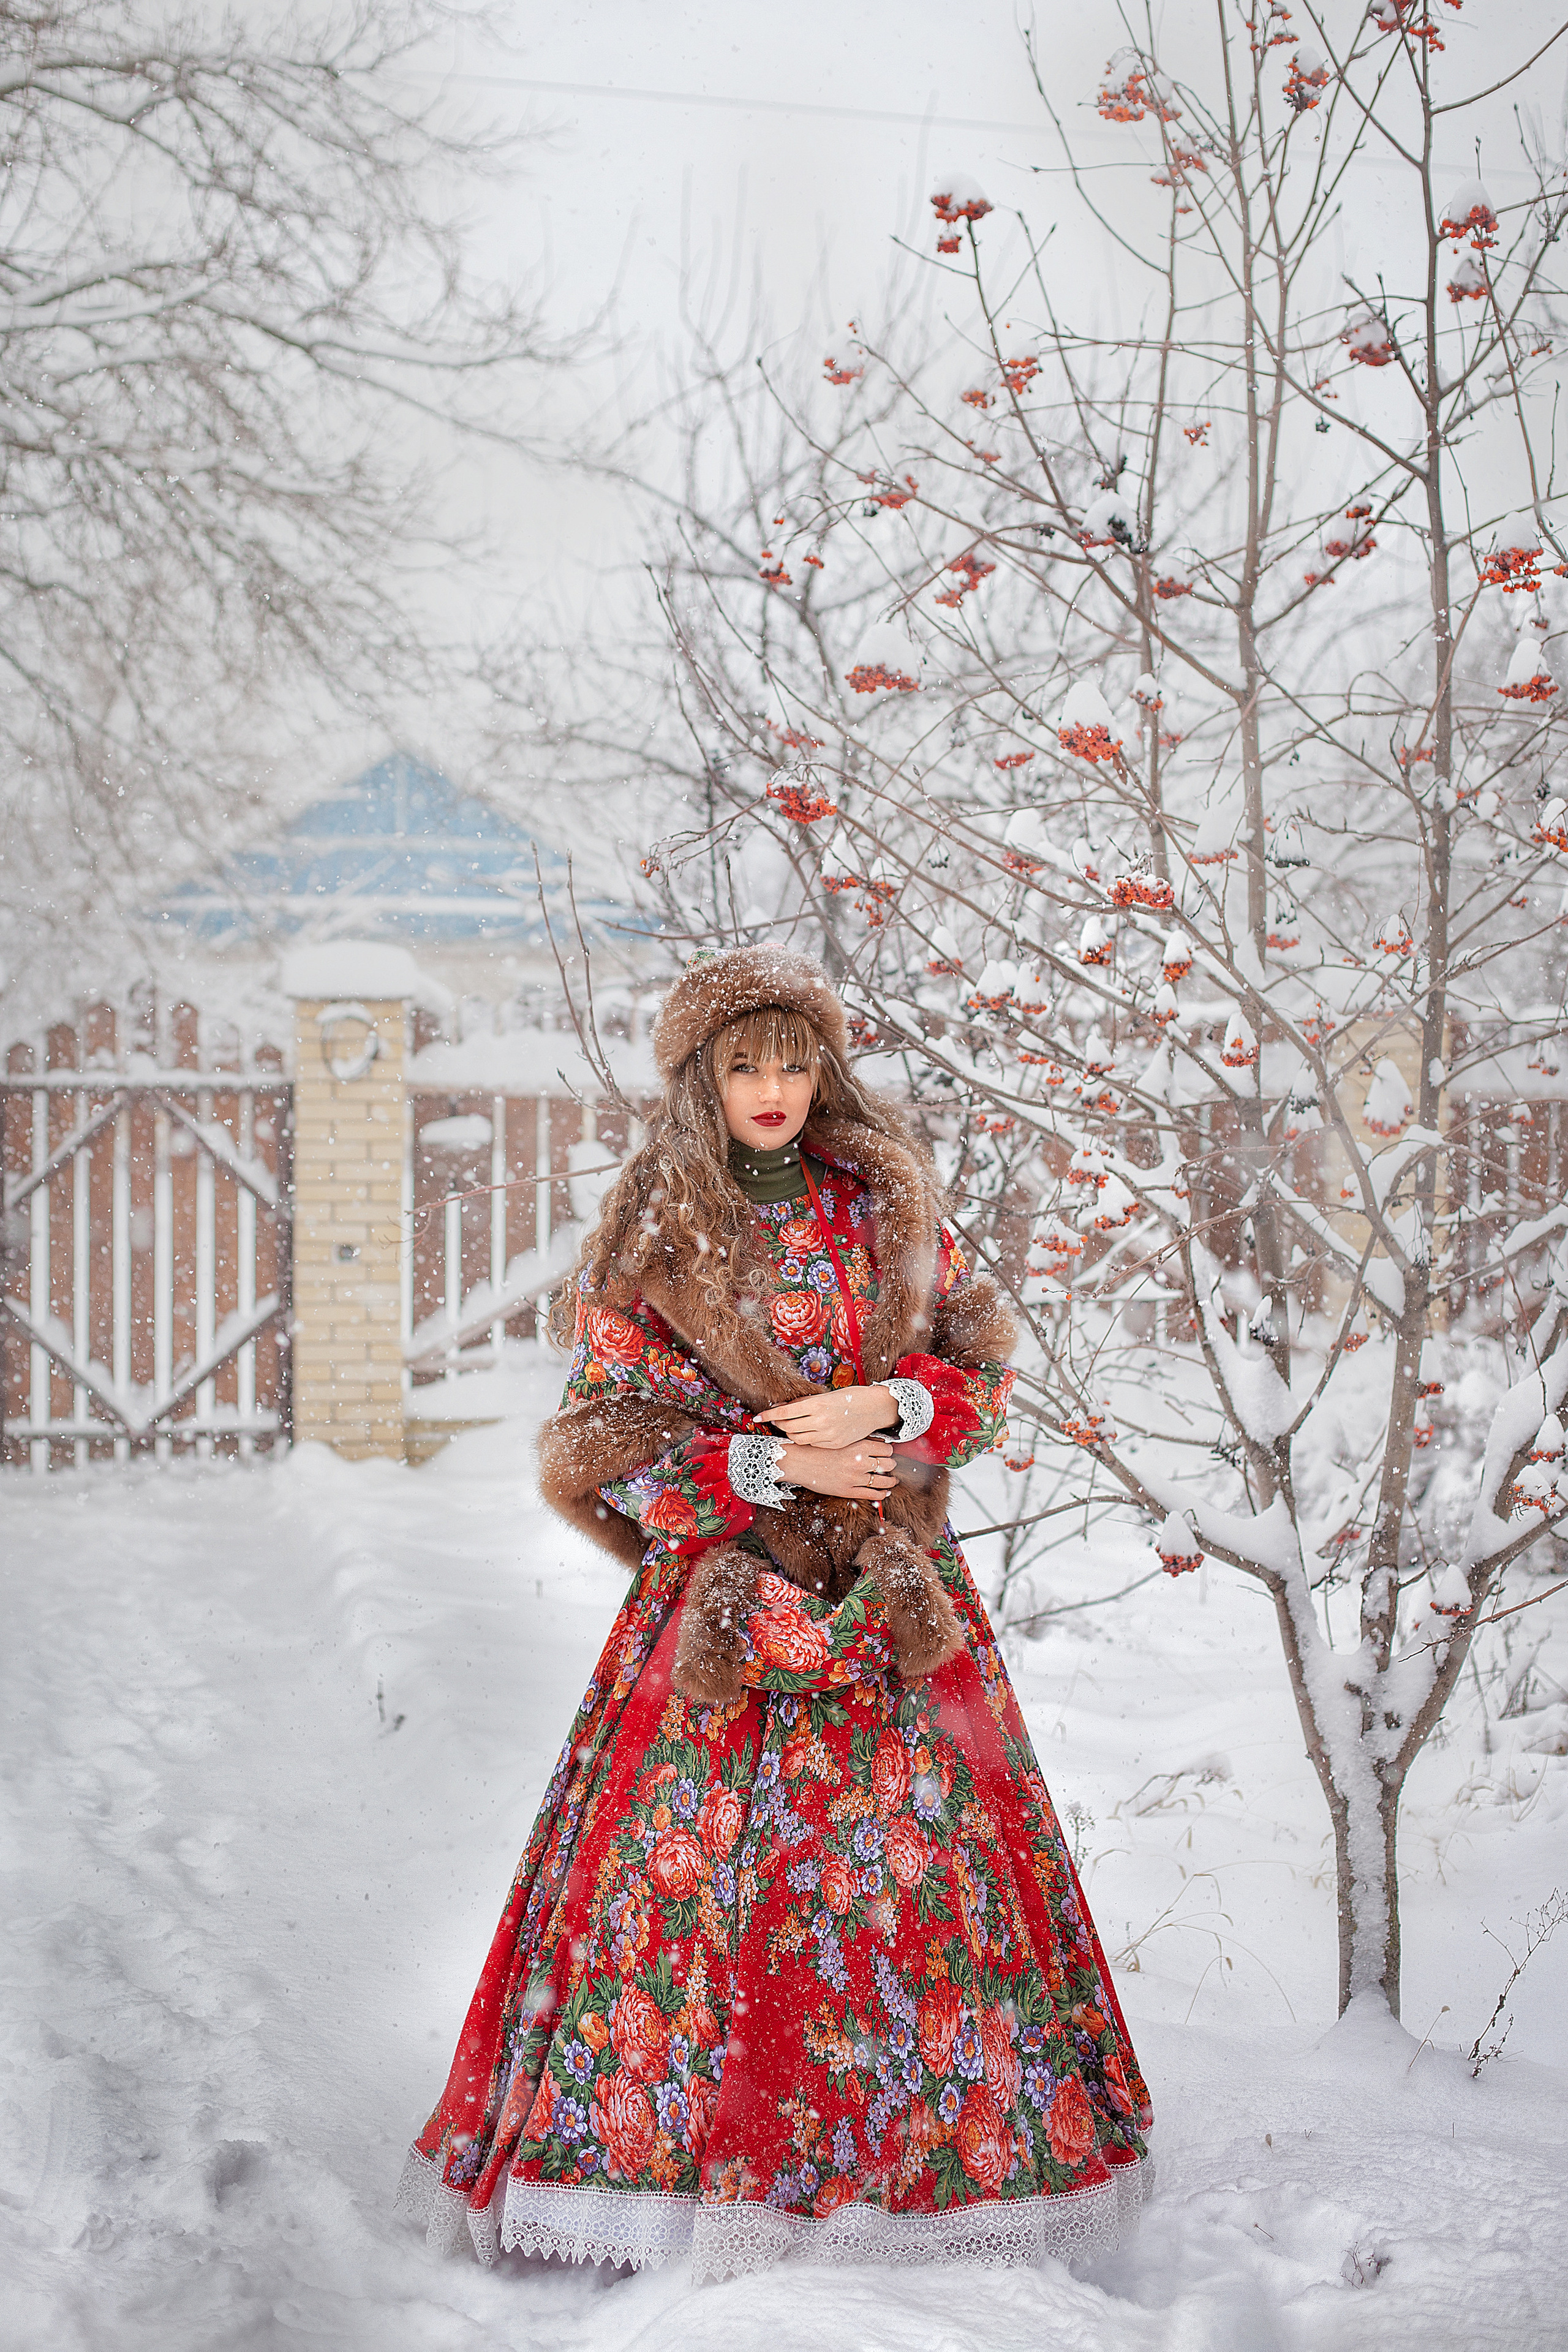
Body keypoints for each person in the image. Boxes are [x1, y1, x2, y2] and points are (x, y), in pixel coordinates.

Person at [397, 944, 1150, 2278]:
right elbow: (598, 1443)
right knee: (689, 1901)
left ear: (823, 1069)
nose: (772, 1089)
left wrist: (889, 1405)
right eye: (744, 1063)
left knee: (917, 1891)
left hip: (891, 1606)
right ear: (702, 1074)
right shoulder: (653, 1227)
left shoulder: (883, 1203)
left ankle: (916, 2179)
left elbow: (973, 1361)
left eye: (793, 1062)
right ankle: (686, 2192)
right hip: (725, 1615)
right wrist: (767, 1463)